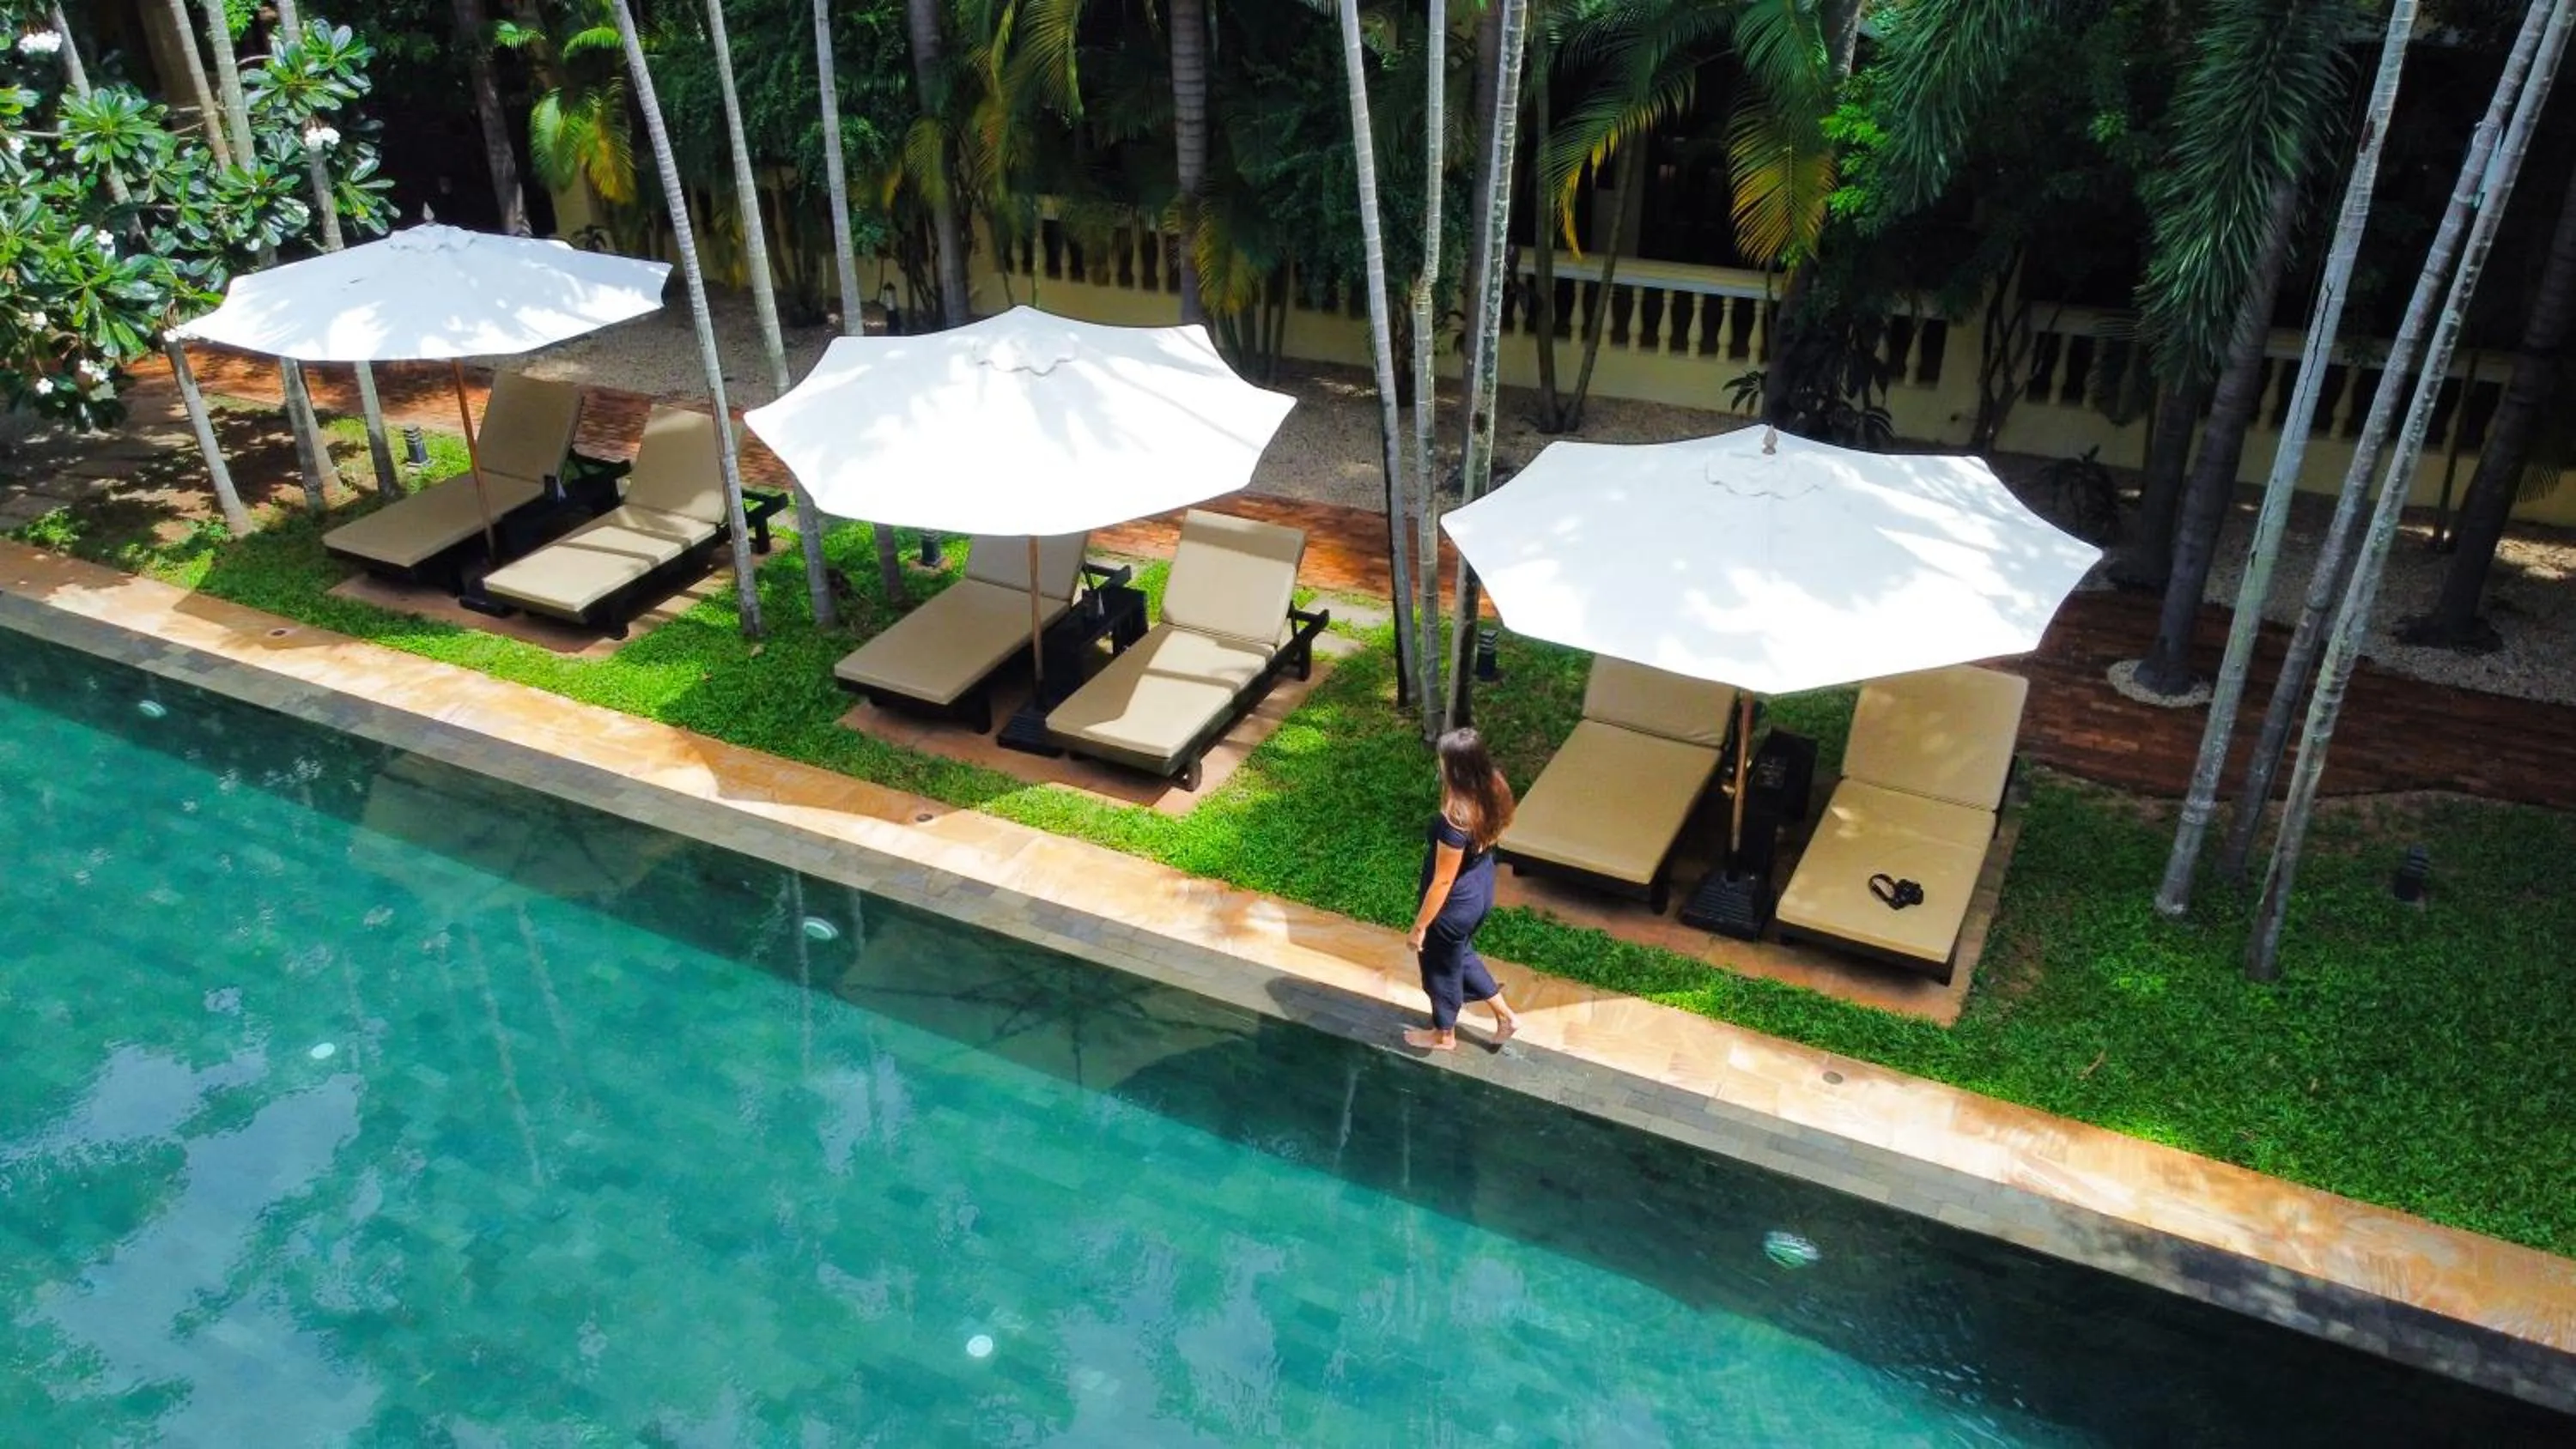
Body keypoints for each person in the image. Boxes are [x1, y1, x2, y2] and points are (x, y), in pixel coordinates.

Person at [1404, 728, 1522, 1052]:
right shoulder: (1495, 785)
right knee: (1460, 955)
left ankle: (1443, 1034)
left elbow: (1443, 880)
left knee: (1439, 969)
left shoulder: (1455, 820)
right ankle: (1506, 1017)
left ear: (1454, 767)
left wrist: (1420, 927)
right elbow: (1503, 824)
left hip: (1453, 904)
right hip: (1481, 885)